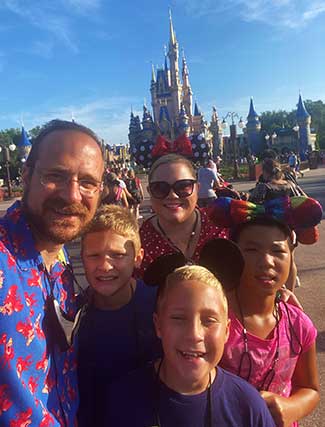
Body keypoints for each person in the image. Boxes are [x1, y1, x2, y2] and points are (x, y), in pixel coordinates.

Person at [0, 119, 104, 426]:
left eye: (87, 182)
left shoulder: (60, 262)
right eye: (55, 176)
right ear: (27, 175)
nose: (72, 195)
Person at [104, 263, 275, 426]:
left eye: (209, 320)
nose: (194, 334)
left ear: (227, 331)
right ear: (158, 325)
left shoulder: (247, 406)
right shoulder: (121, 400)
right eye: (178, 318)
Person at [210, 197, 321, 427]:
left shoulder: (298, 325)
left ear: (291, 257)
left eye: (278, 251)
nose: (266, 261)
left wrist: (291, 407)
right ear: (233, 254)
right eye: (251, 250)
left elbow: (309, 388)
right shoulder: (213, 318)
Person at [77, 205, 161, 427]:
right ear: (82, 258)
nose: (105, 266)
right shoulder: (73, 314)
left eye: (118, 255)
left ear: (138, 258)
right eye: (94, 255)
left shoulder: (160, 305)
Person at [137, 153, 228, 277]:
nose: (172, 195)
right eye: (160, 188)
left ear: (197, 189)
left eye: (183, 186)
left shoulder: (221, 226)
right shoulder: (139, 242)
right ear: (150, 192)